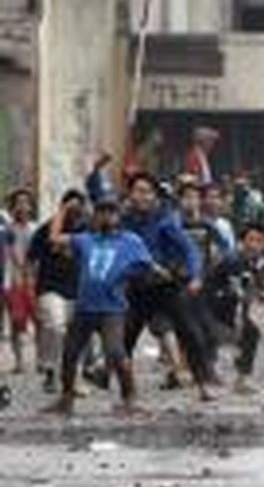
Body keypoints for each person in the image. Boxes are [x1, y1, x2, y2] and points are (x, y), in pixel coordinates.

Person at [43, 195, 159, 418]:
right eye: (102, 211)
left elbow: (149, 265)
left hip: (112, 309)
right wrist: (63, 210)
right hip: (85, 308)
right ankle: (66, 400)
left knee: (116, 352)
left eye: (111, 211)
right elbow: (55, 238)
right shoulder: (86, 239)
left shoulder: (130, 241)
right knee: (69, 353)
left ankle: (130, 399)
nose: (106, 215)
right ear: (95, 216)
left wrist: (160, 273)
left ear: (118, 216)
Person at [122, 172, 216, 400]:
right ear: (130, 194)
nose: (141, 196)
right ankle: (128, 391)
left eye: (146, 192)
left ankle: (203, 385)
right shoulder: (125, 220)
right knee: (125, 339)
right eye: (137, 191)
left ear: (154, 196)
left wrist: (195, 276)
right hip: (138, 288)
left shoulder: (165, 220)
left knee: (191, 333)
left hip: (167, 286)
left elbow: (189, 249)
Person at [29, 190, 86, 395]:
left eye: (78, 207)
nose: (74, 211)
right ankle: (52, 370)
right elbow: (32, 258)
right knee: (55, 325)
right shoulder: (46, 229)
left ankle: (71, 379)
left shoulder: (86, 231)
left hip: (77, 289)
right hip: (49, 287)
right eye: (70, 207)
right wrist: (29, 287)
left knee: (75, 335)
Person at [206, 222, 264, 396]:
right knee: (213, 339)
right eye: (250, 240)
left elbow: (251, 287)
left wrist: (261, 291)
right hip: (211, 309)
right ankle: (204, 376)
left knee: (250, 335)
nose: (254, 245)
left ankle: (241, 381)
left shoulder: (256, 262)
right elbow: (238, 293)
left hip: (228, 309)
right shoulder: (233, 261)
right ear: (241, 242)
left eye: (259, 241)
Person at [5, 188, 37, 373]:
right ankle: (19, 362)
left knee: (39, 320)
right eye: (19, 203)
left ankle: (42, 358)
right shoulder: (9, 229)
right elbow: (10, 254)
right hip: (15, 281)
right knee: (17, 323)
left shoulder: (35, 228)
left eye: (26, 202)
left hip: (34, 280)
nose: (22, 206)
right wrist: (21, 272)